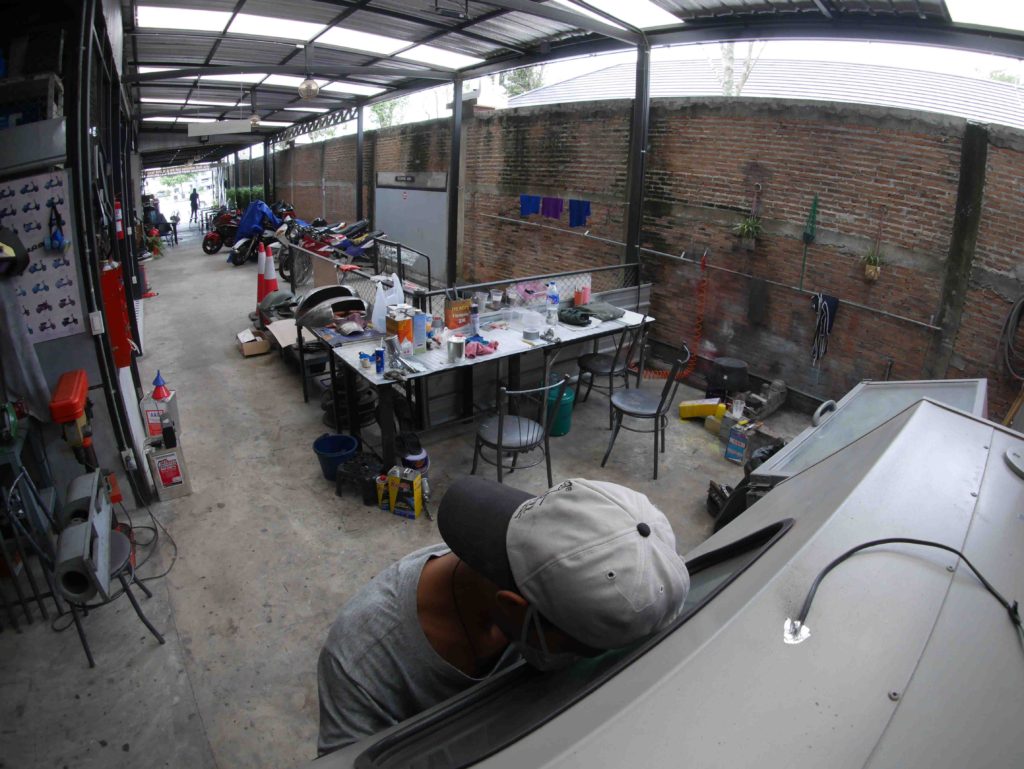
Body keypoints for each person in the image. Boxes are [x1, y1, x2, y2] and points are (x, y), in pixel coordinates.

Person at [316, 476, 690, 756]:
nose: (581, 662)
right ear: (514, 608)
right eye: (581, 651)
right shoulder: (362, 662)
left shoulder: (543, 590)